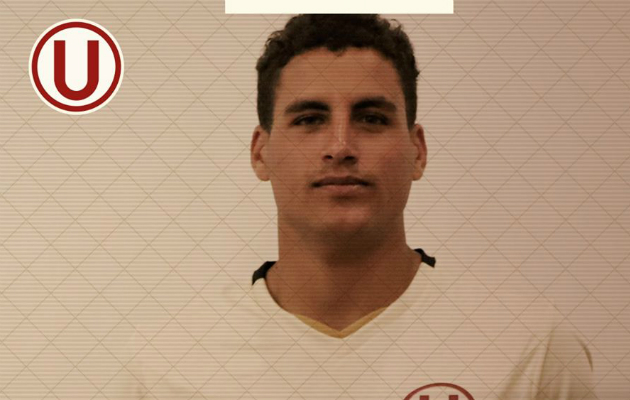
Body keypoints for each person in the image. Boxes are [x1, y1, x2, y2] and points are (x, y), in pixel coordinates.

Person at [120, 14, 596, 399]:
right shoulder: (165, 365)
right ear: (261, 153)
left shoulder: (529, 346)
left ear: (417, 151)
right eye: (310, 119)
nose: (340, 146)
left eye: (371, 118)